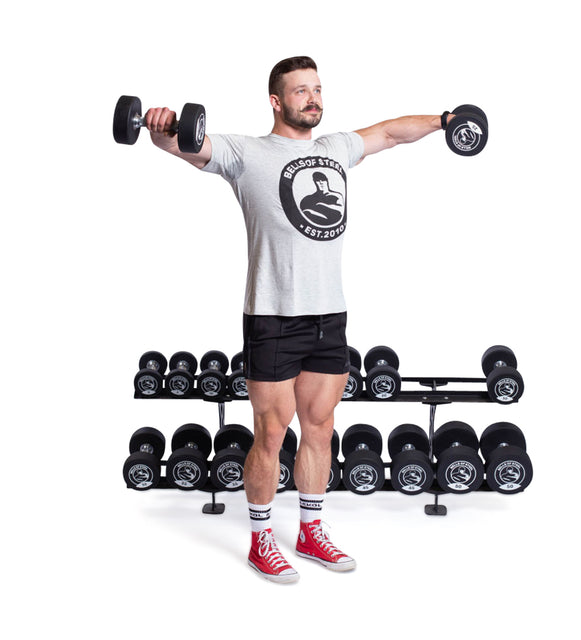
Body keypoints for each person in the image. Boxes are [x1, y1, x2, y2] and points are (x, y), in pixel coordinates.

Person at [145, 56, 453, 583]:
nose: (312, 98)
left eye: (316, 89)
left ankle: (311, 529)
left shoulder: (334, 148)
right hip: (272, 315)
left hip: (328, 316)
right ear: (276, 100)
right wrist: (158, 130)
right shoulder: (247, 153)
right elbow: (185, 144)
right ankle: (262, 538)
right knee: (270, 432)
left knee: (321, 426)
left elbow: (391, 134)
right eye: (300, 91)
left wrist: (445, 121)